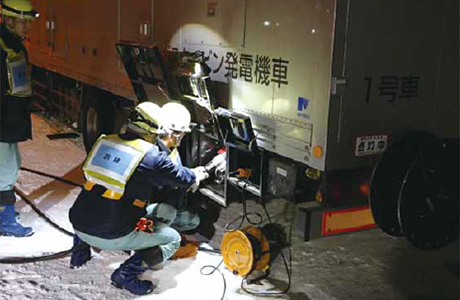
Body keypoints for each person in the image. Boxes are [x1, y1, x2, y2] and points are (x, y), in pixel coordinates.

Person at [69, 101, 209, 295]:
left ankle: (78, 253)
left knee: (97, 196)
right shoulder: (150, 157)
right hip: (111, 233)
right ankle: (126, 274)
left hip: (78, 223)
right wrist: (197, 174)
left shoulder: (104, 141)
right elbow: (182, 178)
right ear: (155, 130)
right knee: (172, 239)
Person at [0, 0, 39, 237]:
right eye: (24, 22)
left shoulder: (10, 43)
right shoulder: (3, 45)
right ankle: (5, 220)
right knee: (5, 171)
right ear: (10, 20)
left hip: (10, 121)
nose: (28, 27)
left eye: (29, 22)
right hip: (3, 122)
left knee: (10, 165)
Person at [149, 102, 205, 259]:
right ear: (174, 133)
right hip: (147, 207)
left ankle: (161, 229)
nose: (183, 136)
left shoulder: (168, 148)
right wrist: (190, 178)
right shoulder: (156, 155)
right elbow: (168, 177)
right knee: (171, 214)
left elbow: (174, 173)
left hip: (161, 201)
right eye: (182, 133)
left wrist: (186, 180)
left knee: (192, 220)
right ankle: (150, 246)